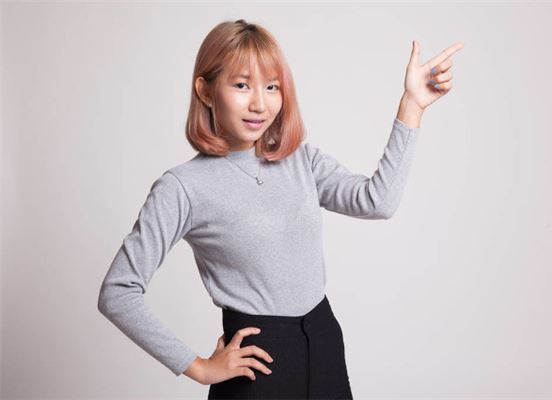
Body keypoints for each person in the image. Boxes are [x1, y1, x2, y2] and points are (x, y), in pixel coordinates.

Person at [97, 18, 463, 399]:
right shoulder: (182, 188)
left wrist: (412, 106)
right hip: (256, 367)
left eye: (272, 87)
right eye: (242, 85)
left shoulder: (300, 160)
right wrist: (199, 367)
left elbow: (377, 201)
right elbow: (118, 291)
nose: (260, 103)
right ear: (205, 91)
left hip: (324, 345)